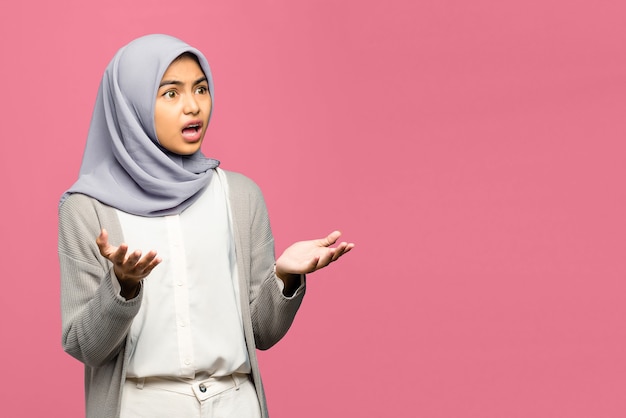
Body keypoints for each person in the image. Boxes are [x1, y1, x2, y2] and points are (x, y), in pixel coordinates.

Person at [58, 33, 354, 418]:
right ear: (130, 105)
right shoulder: (87, 210)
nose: (193, 106)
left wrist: (283, 277)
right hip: (142, 406)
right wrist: (124, 287)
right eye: (170, 94)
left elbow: (261, 333)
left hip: (235, 404)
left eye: (201, 89)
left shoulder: (241, 195)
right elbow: (86, 346)